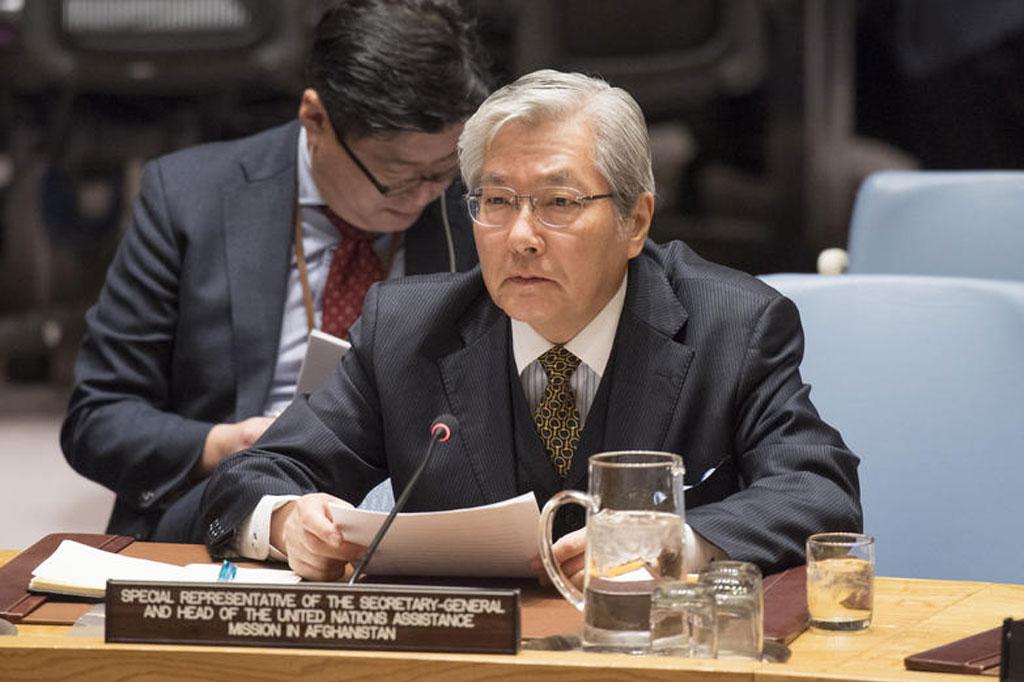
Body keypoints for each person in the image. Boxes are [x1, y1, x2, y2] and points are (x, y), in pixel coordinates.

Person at [199, 70, 862, 582]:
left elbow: (818, 490)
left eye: (558, 203)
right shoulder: (407, 331)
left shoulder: (731, 325)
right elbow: (255, 474)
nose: (520, 236)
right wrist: (286, 522)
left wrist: (681, 541)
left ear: (635, 221)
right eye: (496, 201)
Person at [60, 0, 491, 541]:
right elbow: (97, 419)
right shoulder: (190, 199)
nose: (423, 196)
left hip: (409, 503)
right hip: (231, 504)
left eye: (442, 170)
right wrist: (225, 445)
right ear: (315, 119)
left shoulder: (477, 208)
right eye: (398, 176)